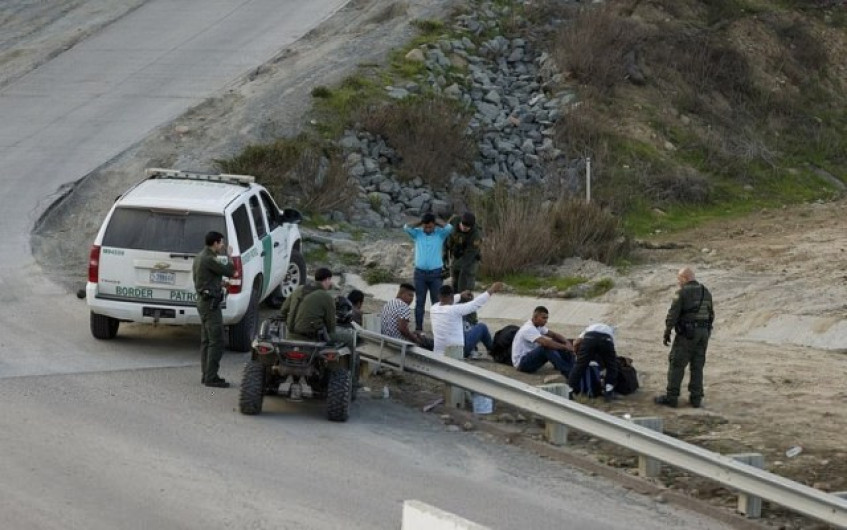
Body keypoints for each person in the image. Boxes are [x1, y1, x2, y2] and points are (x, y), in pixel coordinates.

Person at [655, 267, 714, 408]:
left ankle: (671, 397)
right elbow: (711, 314)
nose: (678, 282)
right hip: (703, 333)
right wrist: (706, 332)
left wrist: (667, 332)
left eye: (679, 279)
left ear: (684, 278)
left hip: (688, 334)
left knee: (676, 364)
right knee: (697, 366)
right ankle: (696, 399)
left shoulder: (681, 293)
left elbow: (673, 315)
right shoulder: (706, 291)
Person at [193, 231, 236, 388]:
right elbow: (230, 271)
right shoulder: (209, 258)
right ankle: (211, 377)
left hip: (203, 302)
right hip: (210, 305)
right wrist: (230, 256)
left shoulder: (199, 257)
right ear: (215, 243)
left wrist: (219, 284)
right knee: (217, 341)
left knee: (207, 341)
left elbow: (203, 279)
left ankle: (206, 374)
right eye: (221, 243)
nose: (223, 246)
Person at [280, 268, 355, 351]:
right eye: (330, 280)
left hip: (290, 335)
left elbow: (283, 310)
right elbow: (331, 326)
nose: (330, 283)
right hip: (311, 338)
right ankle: (349, 359)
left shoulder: (299, 289)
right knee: (350, 338)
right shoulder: (326, 297)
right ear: (327, 279)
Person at [404, 212, 453, 332]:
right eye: (425, 227)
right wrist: (420, 222)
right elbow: (406, 227)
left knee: (436, 302)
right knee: (419, 302)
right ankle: (419, 329)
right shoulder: (417, 234)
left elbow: (449, 227)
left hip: (436, 274)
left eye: (430, 227)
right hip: (420, 274)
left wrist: (436, 221)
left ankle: (438, 328)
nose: (428, 229)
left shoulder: (440, 234)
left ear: (434, 225)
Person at [430, 282, 503, 357]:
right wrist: (492, 289)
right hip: (458, 351)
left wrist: (460, 295)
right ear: (451, 296)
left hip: (439, 351)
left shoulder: (433, 308)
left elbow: (449, 299)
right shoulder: (455, 310)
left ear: (439, 296)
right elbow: (475, 304)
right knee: (482, 327)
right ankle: (494, 352)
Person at [511, 306, 575, 379]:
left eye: (547, 318)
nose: (546, 321)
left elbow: (554, 335)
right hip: (522, 364)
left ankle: (572, 366)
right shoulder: (528, 328)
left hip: (531, 357)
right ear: (535, 317)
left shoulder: (538, 326)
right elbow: (545, 343)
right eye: (543, 318)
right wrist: (565, 347)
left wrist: (567, 342)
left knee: (561, 341)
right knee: (546, 347)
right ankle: (568, 372)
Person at [444, 211, 483, 324]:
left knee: (465, 291)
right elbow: (446, 237)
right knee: (455, 290)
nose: (464, 228)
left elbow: (470, 255)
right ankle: (455, 316)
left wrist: (457, 268)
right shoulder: (454, 221)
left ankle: (471, 320)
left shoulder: (476, 235)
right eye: (463, 226)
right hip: (456, 258)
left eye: (467, 228)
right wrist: (445, 255)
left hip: (469, 263)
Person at [568, 323, 619, 401]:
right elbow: (611, 351)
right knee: (611, 366)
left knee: (579, 365)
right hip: (606, 339)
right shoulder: (610, 331)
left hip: (589, 337)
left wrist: (577, 355)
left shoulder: (589, 328)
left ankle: (570, 389)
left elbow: (577, 342)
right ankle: (608, 390)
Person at [380, 283, 431, 348]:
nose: (412, 299)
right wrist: (416, 340)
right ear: (402, 294)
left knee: (416, 334)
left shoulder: (389, 303)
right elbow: (402, 329)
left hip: (386, 339)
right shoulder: (404, 307)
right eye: (410, 295)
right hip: (398, 342)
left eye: (413, 296)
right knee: (426, 343)